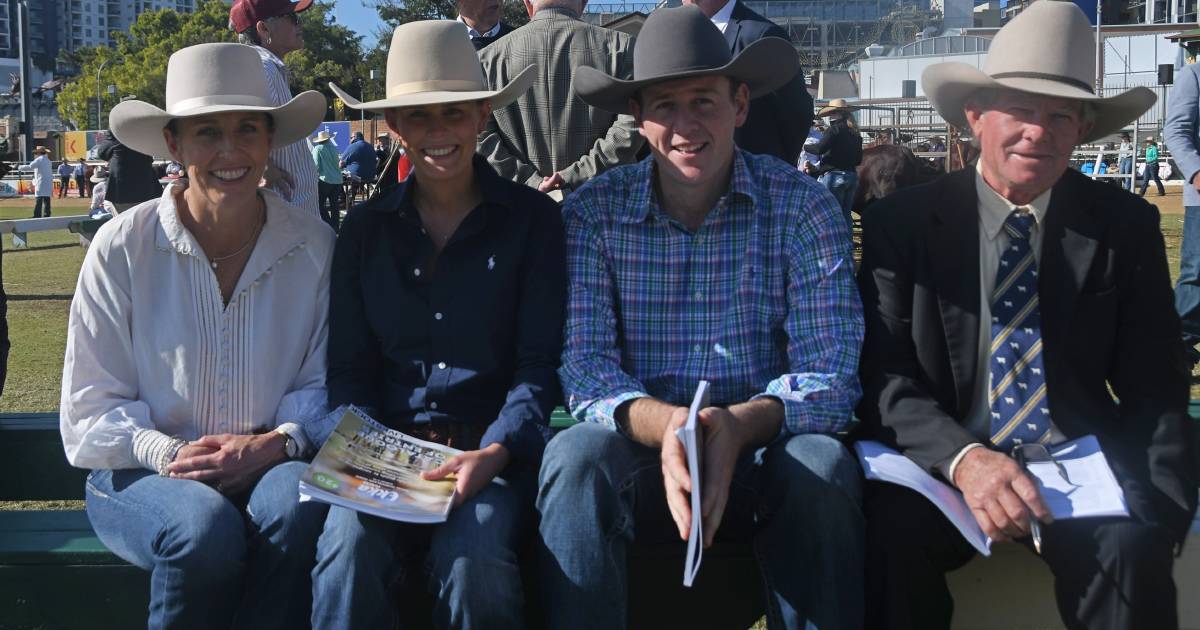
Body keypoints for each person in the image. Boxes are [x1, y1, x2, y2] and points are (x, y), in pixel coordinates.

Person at [855, 4, 1196, 629]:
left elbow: (1157, 383)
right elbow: (884, 375)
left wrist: (1164, 513)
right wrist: (965, 459)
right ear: (976, 116)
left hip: (1076, 463)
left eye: (1060, 115)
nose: (1038, 132)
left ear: (1083, 129)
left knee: (1132, 548)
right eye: (1020, 110)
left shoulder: (1124, 227)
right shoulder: (900, 226)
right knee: (886, 544)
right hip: (944, 465)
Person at [539, 7, 864, 629]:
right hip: (639, 451)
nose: (685, 125)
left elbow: (830, 374)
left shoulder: (803, 207)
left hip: (763, 449)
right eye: (663, 104)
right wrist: (668, 428)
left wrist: (735, 426)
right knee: (577, 459)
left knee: (822, 465)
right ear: (638, 117)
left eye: (703, 101)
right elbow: (585, 368)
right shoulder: (592, 214)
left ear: (740, 104)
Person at [59, 43, 334, 629]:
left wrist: (275, 443)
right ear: (175, 145)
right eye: (207, 132)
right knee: (201, 526)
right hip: (141, 475)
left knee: (297, 504)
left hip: (271, 463)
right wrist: (172, 454)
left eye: (247, 130)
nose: (230, 152)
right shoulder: (121, 247)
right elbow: (90, 408)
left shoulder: (314, 246)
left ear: (268, 141)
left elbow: (322, 381)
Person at [322, 21, 564, 629]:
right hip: (383, 455)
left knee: (475, 561)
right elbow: (348, 370)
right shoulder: (362, 232)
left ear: (481, 116)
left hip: (488, 456)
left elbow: (539, 364)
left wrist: (498, 449)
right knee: (346, 554)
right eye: (418, 117)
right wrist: (376, 459)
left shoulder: (532, 222)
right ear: (395, 127)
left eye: (453, 114)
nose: (438, 133)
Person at [477, 0, 644, 196]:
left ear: (527, 4)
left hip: (519, 210)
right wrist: (575, 176)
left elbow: (480, 136)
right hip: (606, 203)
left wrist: (530, 181)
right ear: (583, 3)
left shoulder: (485, 61)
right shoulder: (621, 48)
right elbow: (631, 125)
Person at [683, 0, 814, 164]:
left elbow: (797, 113)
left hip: (756, 178)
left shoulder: (763, 36)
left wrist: (771, 167)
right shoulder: (675, 38)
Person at [229, 0, 320, 217]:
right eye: (291, 17)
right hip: (282, 222)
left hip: (286, 219)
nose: (299, 24)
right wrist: (260, 166)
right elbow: (234, 127)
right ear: (264, 29)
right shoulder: (262, 67)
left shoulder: (264, 66)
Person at [1167, 35, 1200, 368]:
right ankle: (1177, 349)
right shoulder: (1194, 75)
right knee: (1197, 276)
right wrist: (1195, 172)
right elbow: (1175, 131)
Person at [811, 98, 863, 228]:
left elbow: (819, 149)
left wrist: (804, 147)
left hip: (834, 176)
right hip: (851, 176)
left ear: (836, 114)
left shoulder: (834, 130)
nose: (829, 116)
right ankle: (847, 246)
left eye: (831, 113)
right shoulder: (855, 133)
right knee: (846, 215)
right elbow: (858, 160)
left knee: (832, 215)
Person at [95, 129, 163, 213]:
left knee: (124, 223)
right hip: (147, 191)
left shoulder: (117, 137)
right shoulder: (144, 136)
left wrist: (110, 136)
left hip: (122, 193)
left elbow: (101, 153)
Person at [311, 130, 342, 230]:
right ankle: (336, 226)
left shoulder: (318, 148)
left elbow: (315, 165)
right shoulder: (333, 148)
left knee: (319, 204)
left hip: (325, 179)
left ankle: (328, 224)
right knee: (334, 204)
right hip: (338, 180)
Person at [339, 131, 376, 204]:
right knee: (356, 178)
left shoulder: (352, 146)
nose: (350, 140)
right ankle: (349, 199)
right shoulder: (370, 146)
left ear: (355, 137)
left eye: (351, 138)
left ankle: (343, 199)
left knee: (337, 177)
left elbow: (340, 164)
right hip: (371, 176)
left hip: (357, 177)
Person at [29, 146, 52, 218]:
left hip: (40, 183)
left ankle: (37, 214)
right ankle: (47, 214)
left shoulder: (39, 159)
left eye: (36, 153)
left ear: (38, 152)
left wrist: (20, 167)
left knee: (39, 200)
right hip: (47, 183)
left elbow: (30, 166)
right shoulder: (48, 160)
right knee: (47, 200)